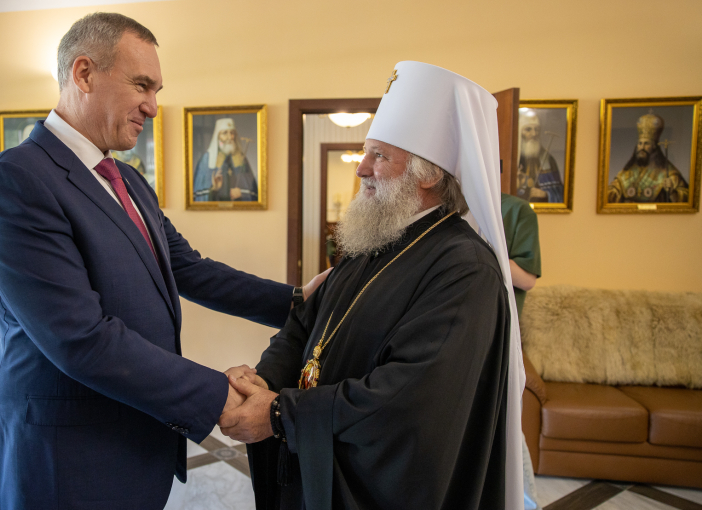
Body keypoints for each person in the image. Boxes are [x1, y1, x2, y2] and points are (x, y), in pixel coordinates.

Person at [0, 13, 328, 510]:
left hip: (138, 444)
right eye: (141, 85)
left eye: (157, 90)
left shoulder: (130, 181)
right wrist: (218, 396)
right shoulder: (17, 180)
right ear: (83, 73)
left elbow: (189, 268)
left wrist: (295, 301)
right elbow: (81, 339)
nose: (154, 107)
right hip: (67, 461)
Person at [219, 61, 525, 509]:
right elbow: (303, 326)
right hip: (317, 456)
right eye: (366, 153)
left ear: (429, 174)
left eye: (379, 155)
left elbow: (409, 395)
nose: (361, 168)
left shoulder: (466, 269)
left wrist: (282, 414)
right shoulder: (373, 239)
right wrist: (264, 378)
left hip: (381, 485)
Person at [501, 193, 543, 510]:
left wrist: (485, 248)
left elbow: (527, 279)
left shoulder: (517, 211)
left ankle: (526, 504)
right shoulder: (447, 202)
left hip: (501, 335)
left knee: (507, 427)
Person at [608, 112, 689, 203]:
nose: (642, 147)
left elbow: (686, 196)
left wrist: (672, 192)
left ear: (654, 146)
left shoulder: (667, 171)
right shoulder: (627, 171)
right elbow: (613, 191)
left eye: (646, 143)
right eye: (640, 143)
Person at [192, 117, 258, 202]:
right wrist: (214, 190)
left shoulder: (241, 158)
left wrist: (241, 193)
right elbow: (199, 195)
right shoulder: (207, 159)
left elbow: (253, 191)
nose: (230, 137)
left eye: (232, 133)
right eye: (225, 133)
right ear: (218, 137)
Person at [516, 110, 563, 203]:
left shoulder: (548, 159)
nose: (534, 134)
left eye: (536, 129)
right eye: (528, 129)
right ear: (520, 132)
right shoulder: (513, 159)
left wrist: (545, 194)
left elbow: (560, 193)